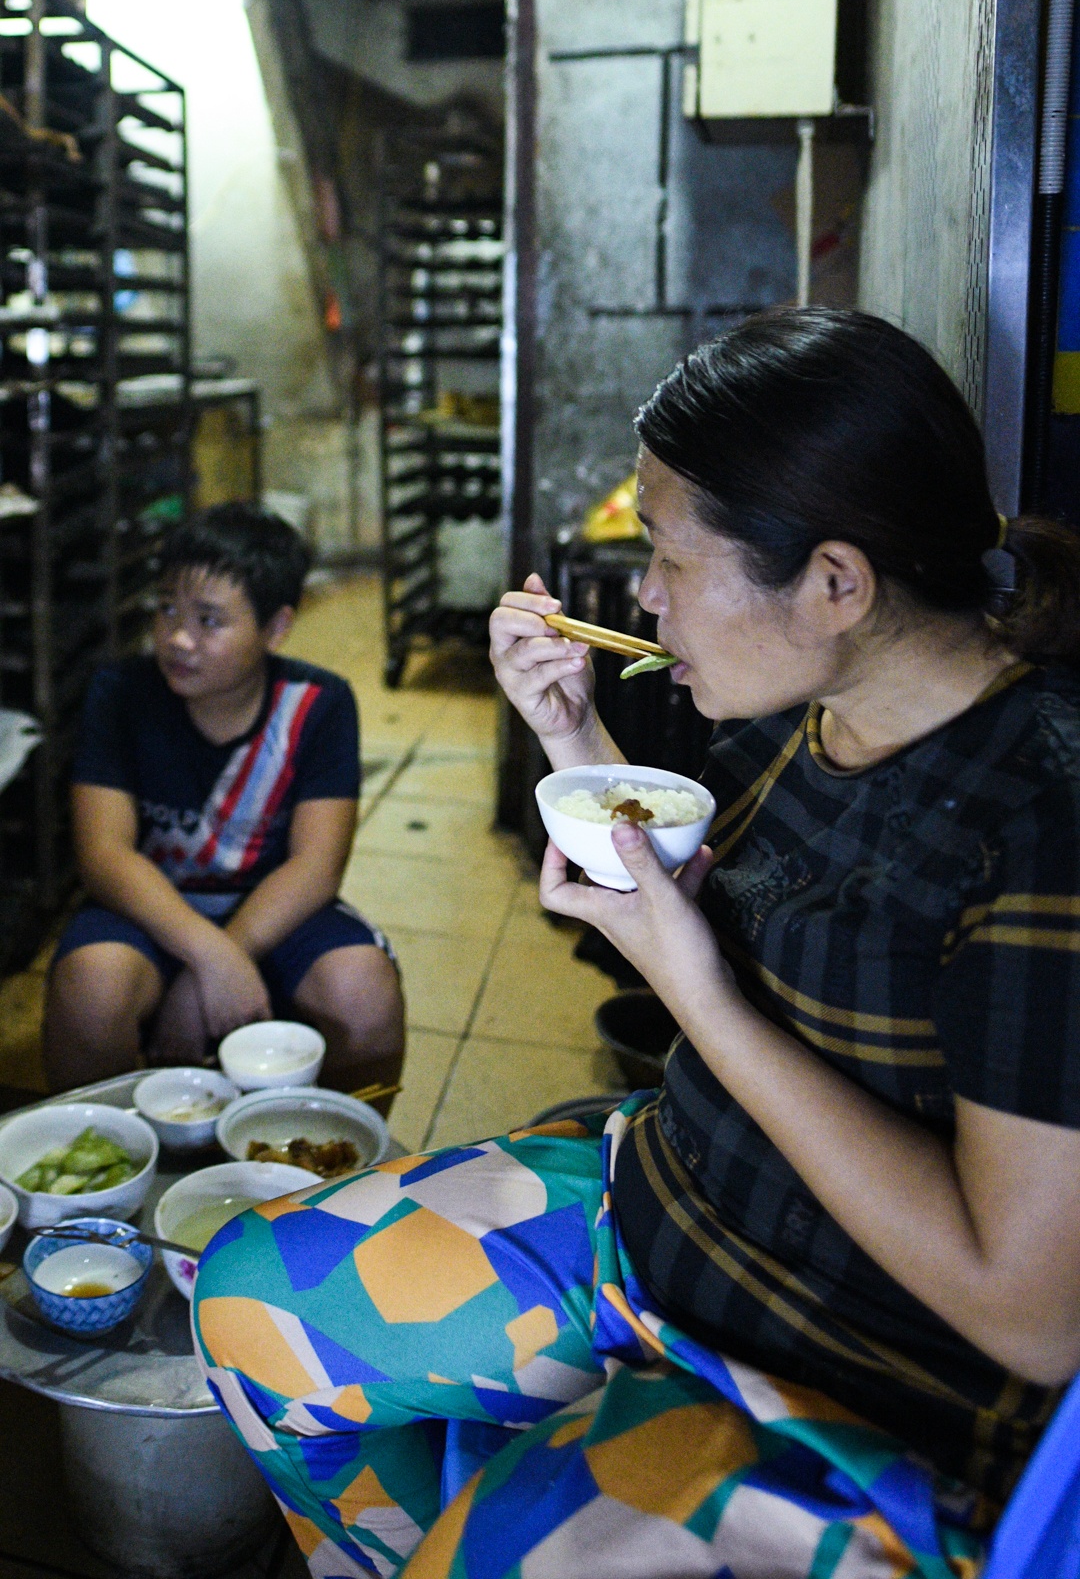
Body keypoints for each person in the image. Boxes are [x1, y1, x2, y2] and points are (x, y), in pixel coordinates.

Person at [192, 314, 1080, 1579]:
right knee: (246, 1302)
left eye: (665, 554)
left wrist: (698, 997)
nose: (646, 596)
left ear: (835, 582)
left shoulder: (1040, 816)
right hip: (661, 1211)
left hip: (850, 1384)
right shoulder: (808, 711)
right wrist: (572, 738)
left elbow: (1032, 1313)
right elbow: (706, 909)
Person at [45, 502, 404, 1095]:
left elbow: (316, 866)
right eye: (166, 609)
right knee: (92, 987)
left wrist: (222, 958)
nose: (177, 638)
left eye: (209, 620)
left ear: (276, 628)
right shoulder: (121, 693)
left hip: (272, 908)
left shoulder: (320, 704)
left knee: (363, 989)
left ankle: (343, 1179)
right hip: (147, 905)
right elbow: (104, 854)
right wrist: (209, 956)